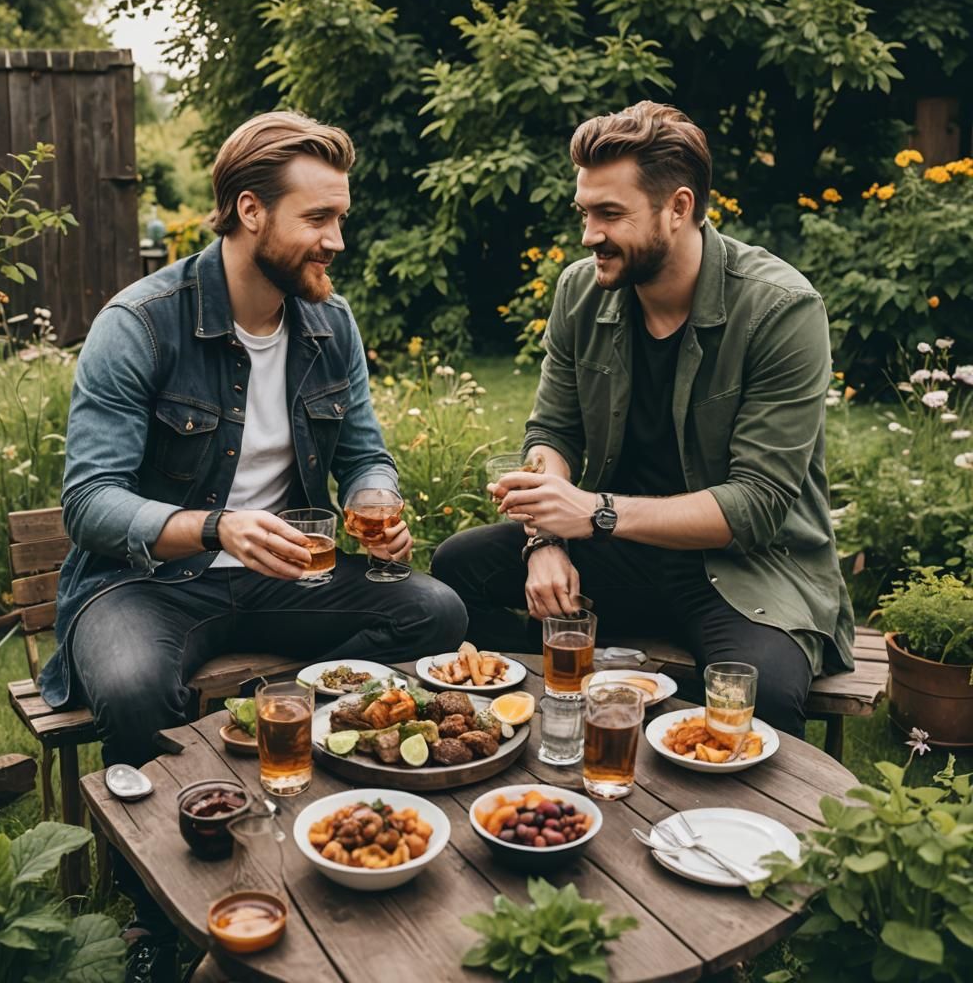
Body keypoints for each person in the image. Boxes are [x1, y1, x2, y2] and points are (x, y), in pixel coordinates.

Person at [42, 111, 467, 980]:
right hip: (147, 583)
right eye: (319, 220)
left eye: (339, 219)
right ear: (248, 212)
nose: (337, 240)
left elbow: (365, 452)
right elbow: (88, 503)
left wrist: (375, 502)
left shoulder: (328, 324)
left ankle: (304, 766)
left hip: (287, 580)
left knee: (436, 609)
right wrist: (215, 525)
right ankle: (154, 918)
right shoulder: (142, 325)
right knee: (125, 688)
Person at [433, 101, 854, 738]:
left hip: (745, 567)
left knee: (758, 691)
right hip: (617, 550)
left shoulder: (780, 309)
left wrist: (593, 513)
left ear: (678, 207)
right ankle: (536, 731)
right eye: (584, 212)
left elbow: (757, 506)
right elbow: (552, 431)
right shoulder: (581, 290)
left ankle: (748, 832)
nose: (588, 235)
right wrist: (545, 540)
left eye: (610, 215)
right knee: (458, 568)